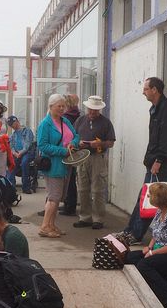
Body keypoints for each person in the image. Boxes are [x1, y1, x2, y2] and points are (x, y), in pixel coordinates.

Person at [118, 77, 167, 244]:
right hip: (154, 162)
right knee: (144, 197)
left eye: (146, 89)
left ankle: (136, 234)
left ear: (154, 90)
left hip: (162, 164)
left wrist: (159, 160)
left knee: (152, 199)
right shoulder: (155, 108)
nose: (143, 92)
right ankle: (130, 231)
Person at [125, 182, 167, 308]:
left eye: (151, 195)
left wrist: (152, 253)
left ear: (158, 198)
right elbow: (155, 234)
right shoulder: (160, 211)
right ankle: (166, 278)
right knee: (130, 257)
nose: (148, 196)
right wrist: (149, 247)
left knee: (144, 265)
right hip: (162, 249)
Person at [36, 93, 79, 238]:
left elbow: (76, 136)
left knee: (59, 197)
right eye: (58, 106)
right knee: (53, 198)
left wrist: (73, 143)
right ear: (51, 107)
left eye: (63, 106)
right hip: (53, 165)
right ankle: (44, 226)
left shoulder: (65, 121)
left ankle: (52, 225)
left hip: (66, 165)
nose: (61, 108)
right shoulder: (45, 124)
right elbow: (43, 145)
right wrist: (62, 151)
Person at [73, 95, 116, 230]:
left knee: (98, 189)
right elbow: (73, 136)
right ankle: (85, 217)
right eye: (90, 109)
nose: (92, 112)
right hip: (82, 156)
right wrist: (77, 142)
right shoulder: (80, 120)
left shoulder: (106, 122)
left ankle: (98, 219)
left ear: (99, 110)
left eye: (95, 110)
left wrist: (100, 143)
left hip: (98, 157)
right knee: (82, 188)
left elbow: (111, 143)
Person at [61, 94, 81, 216]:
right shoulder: (79, 115)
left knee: (67, 178)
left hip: (67, 148)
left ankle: (68, 205)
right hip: (77, 148)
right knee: (73, 178)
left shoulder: (65, 118)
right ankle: (71, 204)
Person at [6, 115, 36, 194]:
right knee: (11, 164)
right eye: (10, 125)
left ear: (17, 121)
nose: (12, 126)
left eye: (12, 123)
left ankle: (26, 187)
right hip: (17, 154)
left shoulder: (27, 131)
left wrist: (20, 153)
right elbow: (11, 146)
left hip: (28, 153)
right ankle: (11, 188)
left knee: (24, 162)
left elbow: (28, 144)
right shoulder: (12, 135)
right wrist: (14, 153)